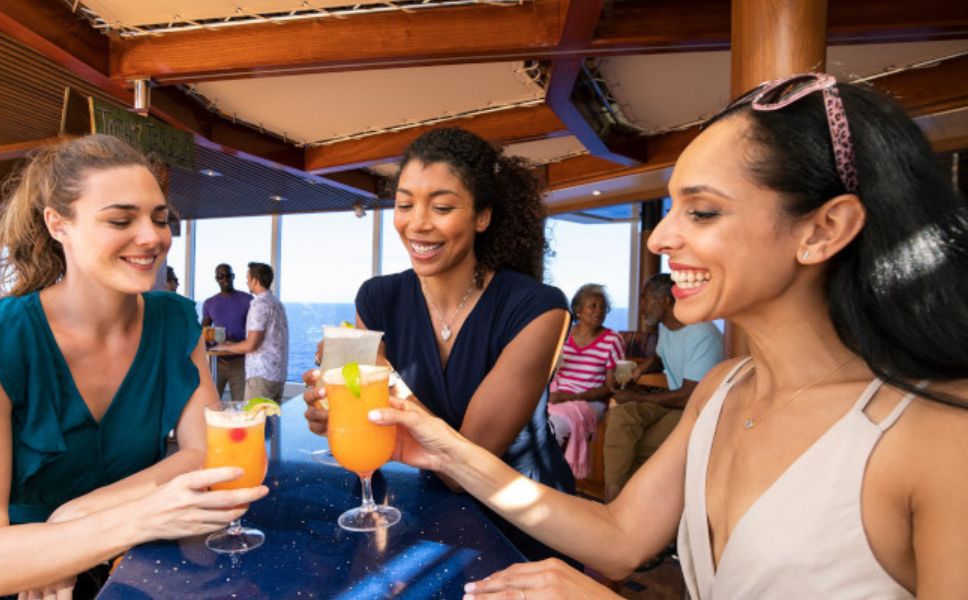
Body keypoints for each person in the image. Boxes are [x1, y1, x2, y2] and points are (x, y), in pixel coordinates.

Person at [368, 74, 968, 599]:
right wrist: (437, 447)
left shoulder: (941, 435)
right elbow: (619, 538)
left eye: (701, 212)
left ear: (824, 228)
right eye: (671, 209)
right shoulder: (724, 388)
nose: (659, 240)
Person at [0, 134, 267, 599]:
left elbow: (204, 452)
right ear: (57, 224)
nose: (153, 237)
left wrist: (78, 517)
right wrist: (128, 518)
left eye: (159, 217)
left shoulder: (174, 321)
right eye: (120, 219)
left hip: (100, 553)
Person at [302, 127, 574, 561]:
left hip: (523, 522)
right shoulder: (377, 298)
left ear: (482, 216)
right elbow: (366, 410)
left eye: (442, 207)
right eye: (405, 204)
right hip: (421, 509)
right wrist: (332, 411)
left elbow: (465, 470)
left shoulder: (539, 309)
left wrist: (387, 380)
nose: (418, 223)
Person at [604, 273, 722, 500]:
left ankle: (622, 507)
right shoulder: (668, 327)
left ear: (666, 301)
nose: (642, 306)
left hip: (697, 410)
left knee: (636, 445)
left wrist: (638, 397)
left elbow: (689, 396)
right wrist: (637, 372)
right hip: (674, 402)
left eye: (646, 299)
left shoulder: (701, 335)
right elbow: (659, 357)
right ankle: (613, 499)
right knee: (621, 416)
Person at [546, 284, 625, 479]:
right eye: (593, 306)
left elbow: (609, 389)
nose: (599, 311)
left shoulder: (612, 340)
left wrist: (570, 397)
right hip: (557, 394)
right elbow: (549, 370)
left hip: (589, 401)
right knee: (528, 420)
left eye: (603, 307)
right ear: (578, 310)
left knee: (552, 427)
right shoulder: (563, 334)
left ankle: (551, 481)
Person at [213, 262, 288, 403]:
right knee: (270, 423)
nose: (247, 281)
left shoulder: (258, 305)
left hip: (261, 377)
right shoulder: (277, 303)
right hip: (278, 376)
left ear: (255, 280)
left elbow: (251, 345)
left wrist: (225, 346)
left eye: (248, 278)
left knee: (253, 422)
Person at [202, 263, 253, 402]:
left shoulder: (248, 300)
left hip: (240, 361)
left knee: (241, 404)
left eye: (227, 275)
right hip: (216, 362)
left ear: (233, 276)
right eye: (220, 276)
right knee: (211, 403)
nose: (224, 278)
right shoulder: (209, 303)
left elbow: (256, 332)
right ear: (216, 279)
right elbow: (204, 332)